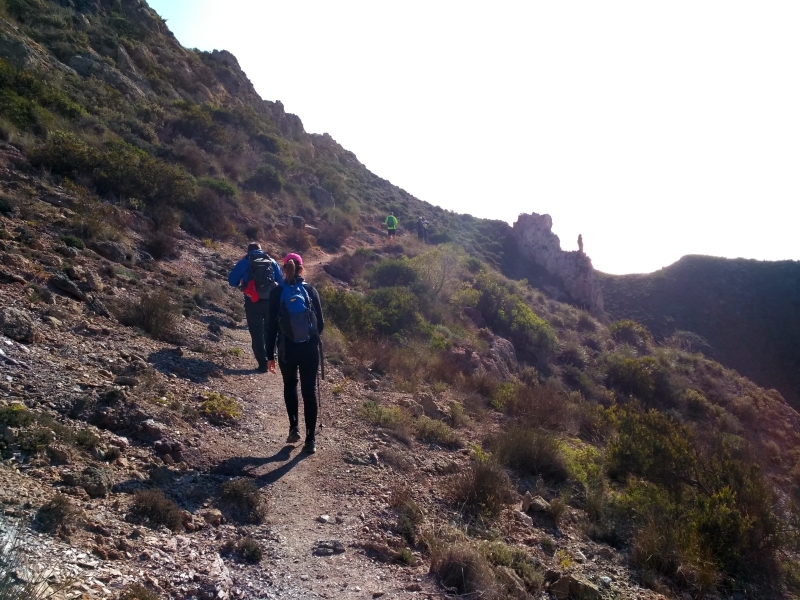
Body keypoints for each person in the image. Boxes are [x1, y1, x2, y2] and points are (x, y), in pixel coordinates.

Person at [266, 253, 325, 454]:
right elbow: (321, 324)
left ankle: (293, 428)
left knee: (290, 385)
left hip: (287, 349)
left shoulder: (277, 292)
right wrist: (310, 339)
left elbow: (271, 327)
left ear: (284, 269)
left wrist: (269, 355)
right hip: (309, 349)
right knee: (309, 390)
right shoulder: (310, 290)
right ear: (302, 268)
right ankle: (310, 439)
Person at [228, 242, 284, 372]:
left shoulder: (245, 261)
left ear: (248, 251)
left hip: (252, 301)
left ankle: (262, 364)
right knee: (271, 330)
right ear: (261, 250)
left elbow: (231, 281)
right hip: (271, 302)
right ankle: (271, 357)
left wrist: (243, 285)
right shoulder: (271, 261)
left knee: (256, 332)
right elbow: (281, 282)